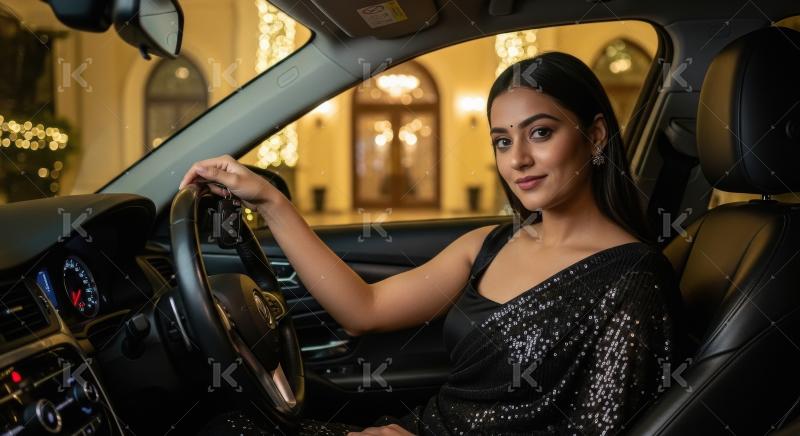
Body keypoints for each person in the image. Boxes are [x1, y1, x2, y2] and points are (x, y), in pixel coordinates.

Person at [181, 51, 689, 435]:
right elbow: (364, 308)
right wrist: (269, 200)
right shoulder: (488, 245)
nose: (518, 161)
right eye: (503, 141)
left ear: (596, 136)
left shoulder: (634, 282)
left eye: (540, 133)